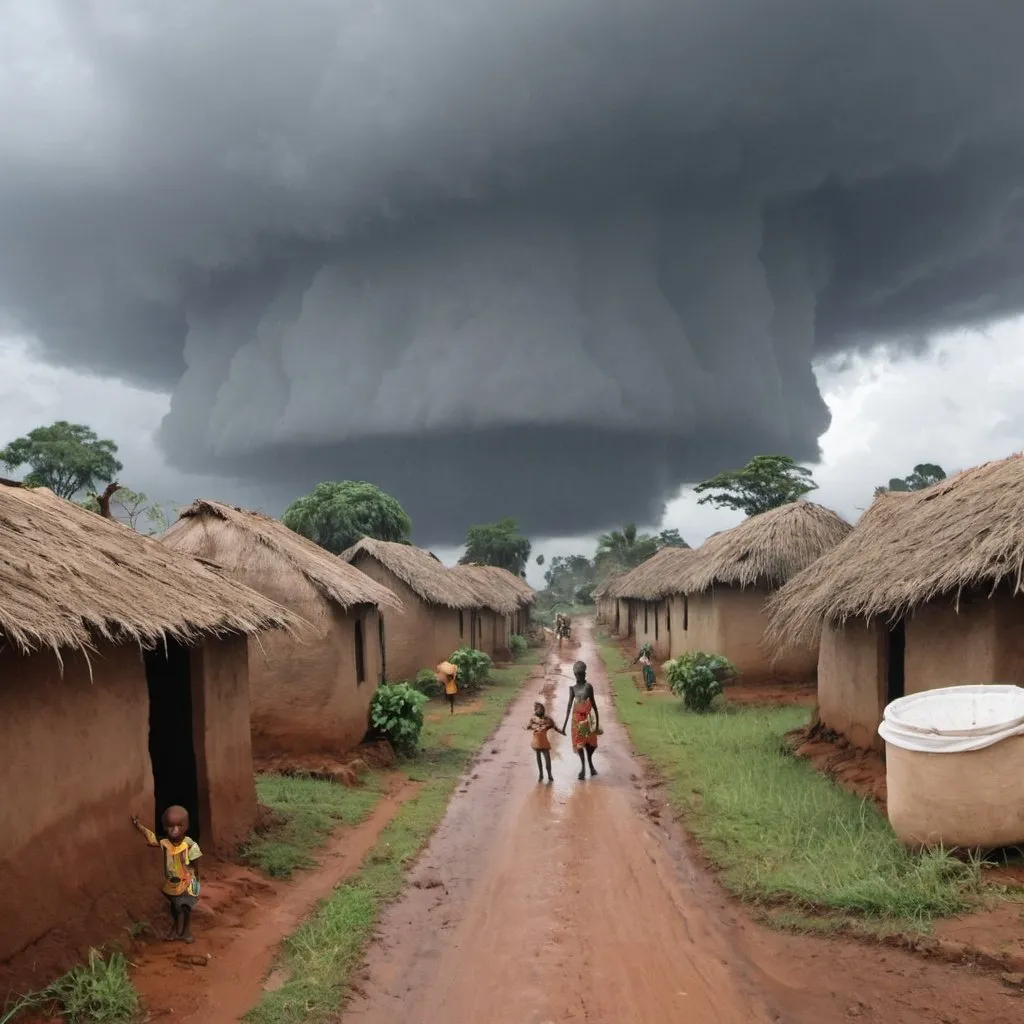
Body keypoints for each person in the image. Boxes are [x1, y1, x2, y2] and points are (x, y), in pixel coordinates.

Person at [132, 806, 202, 943]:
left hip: (188, 880)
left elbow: (196, 861)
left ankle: (186, 931)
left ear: (186, 826)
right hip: (172, 882)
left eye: (179, 825)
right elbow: (151, 837)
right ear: (164, 826)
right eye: (170, 826)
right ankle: (175, 929)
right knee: (175, 907)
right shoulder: (165, 843)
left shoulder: (189, 844)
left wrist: (197, 879)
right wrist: (138, 826)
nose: (174, 830)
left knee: (186, 906)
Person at [561, 660, 601, 780]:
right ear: (574, 674)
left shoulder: (588, 687)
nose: (578, 676)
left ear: (584, 673)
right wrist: (563, 726)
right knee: (579, 745)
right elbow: (569, 707)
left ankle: (590, 764)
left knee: (590, 744)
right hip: (576, 720)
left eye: (580, 673)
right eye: (576, 674)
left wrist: (597, 724)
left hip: (588, 719)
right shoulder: (572, 689)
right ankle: (583, 768)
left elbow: (594, 704)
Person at [525, 700, 563, 782]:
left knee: (547, 759)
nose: (540, 710)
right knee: (539, 759)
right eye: (538, 709)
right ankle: (541, 774)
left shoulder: (547, 719)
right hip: (536, 741)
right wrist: (530, 727)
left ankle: (549, 774)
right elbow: (528, 726)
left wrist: (561, 731)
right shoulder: (533, 718)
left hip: (543, 741)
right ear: (536, 710)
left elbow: (555, 727)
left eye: (541, 709)